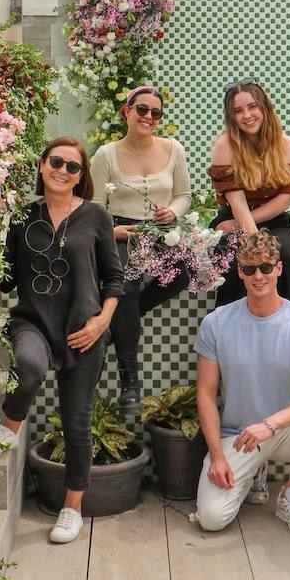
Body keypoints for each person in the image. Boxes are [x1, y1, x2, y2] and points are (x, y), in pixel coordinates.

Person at [0, 138, 124, 545]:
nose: (63, 171)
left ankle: (72, 508)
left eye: (73, 167)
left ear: (82, 176)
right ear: (43, 165)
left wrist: (102, 321)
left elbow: (114, 278)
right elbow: (7, 278)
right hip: (33, 322)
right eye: (56, 162)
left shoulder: (96, 216)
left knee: (77, 422)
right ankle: (10, 424)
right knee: (28, 366)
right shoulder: (24, 217)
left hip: (85, 331)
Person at [193, 231, 290, 535]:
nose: (257, 275)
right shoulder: (216, 323)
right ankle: (251, 471)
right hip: (237, 436)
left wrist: (270, 424)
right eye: (249, 269)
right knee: (211, 519)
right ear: (239, 272)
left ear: (278, 268)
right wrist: (218, 457)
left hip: (281, 428)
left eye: (265, 267)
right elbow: (206, 395)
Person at [90, 85, 191, 411]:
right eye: (142, 110)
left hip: (161, 230)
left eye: (155, 112)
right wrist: (111, 230)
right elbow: (93, 205)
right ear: (127, 112)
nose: (148, 116)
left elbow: (184, 195)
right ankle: (129, 382)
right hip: (120, 230)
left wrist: (173, 212)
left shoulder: (173, 149)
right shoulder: (106, 154)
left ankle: (118, 326)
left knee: (186, 270)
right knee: (126, 285)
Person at [207, 79, 290, 310]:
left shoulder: (285, 144)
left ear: (264, 107)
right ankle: (230, 330)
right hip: (235, 216)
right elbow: (237, 201)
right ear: (231, 117)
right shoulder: (225, 146)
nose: (247, 115)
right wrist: (251, 240)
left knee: (289, 257)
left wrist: (242, 228)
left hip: (272, 220)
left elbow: (284, 199)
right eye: (238, 111)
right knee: (238, 261)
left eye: (252, 107)